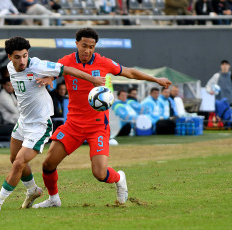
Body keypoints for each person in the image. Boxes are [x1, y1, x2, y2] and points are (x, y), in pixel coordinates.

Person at [33, 28, 172, 208]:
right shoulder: (65, 62)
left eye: (91, 47)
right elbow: (51, 72)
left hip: (97, 126)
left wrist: (156, 80)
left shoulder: (103, 62)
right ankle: (54, 199)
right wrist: (49, 78)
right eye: (84, 46)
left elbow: (129, 72)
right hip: (73, 125)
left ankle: (119, 178)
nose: (87, 51)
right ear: (76, 44)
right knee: (48, 163)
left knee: (99, 174)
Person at [0, 36, 105, 212]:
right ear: (9, 57)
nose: (22, 61)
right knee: (14, 159)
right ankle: (33, 190)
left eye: (25, 56)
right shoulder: (9, 68)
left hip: (40, 124)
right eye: (18, 57)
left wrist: (92, 79)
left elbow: (67, 69)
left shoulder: (37, 65)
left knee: (19, 162)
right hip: (23, 122)